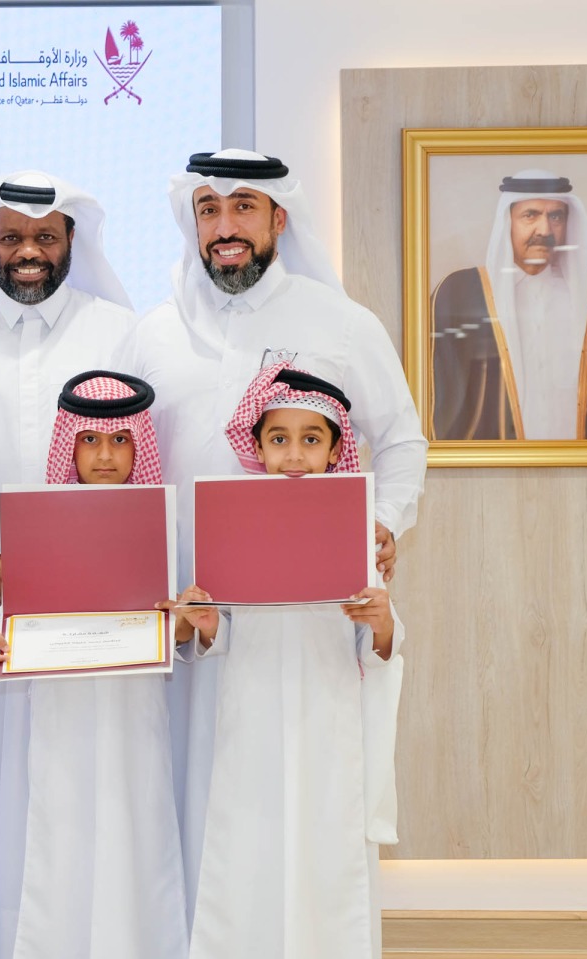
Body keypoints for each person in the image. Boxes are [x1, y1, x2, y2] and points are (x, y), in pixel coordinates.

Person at [113, 148, 426, 922]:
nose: (225, 226)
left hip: (304, 628)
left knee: (302, 807)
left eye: (244, 207)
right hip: (191, 621)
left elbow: (401, 440)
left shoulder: (341, 324)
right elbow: (120, 461)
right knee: (194, 809)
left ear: (280, 218)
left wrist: (382, 523)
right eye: (209, 210)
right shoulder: (152, 333)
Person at [0, 171, 136, 959]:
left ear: (72, 239)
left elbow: (142, 458)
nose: (28, 252)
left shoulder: (118, 331)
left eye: (45, 236)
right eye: (11, 236)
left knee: (80, 792)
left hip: (94, 610)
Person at [173, 362, 403, 959]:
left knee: (327, 862)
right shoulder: (233, 523)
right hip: (252, 723)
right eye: (279, 438)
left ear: (335, 450)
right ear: (257, 447)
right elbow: (223, 633)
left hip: (329, 723)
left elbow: (380, 647)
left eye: (311, 439)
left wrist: (381, 623)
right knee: (249, 857)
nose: (295, 455)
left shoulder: (355, 529)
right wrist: (208, 626)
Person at [0, 370, 188, 959]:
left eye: (120, 441)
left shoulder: (161, 522)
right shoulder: (46, 520)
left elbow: (180, 620)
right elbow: (20, 604)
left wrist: (184, 622)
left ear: (140, 447)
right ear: (68, 446)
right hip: (63, 716)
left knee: (136, 834)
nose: (104, 455)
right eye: (89, 440)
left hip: (133, 713)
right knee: (63, 837)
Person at [430, 169, 587, 440]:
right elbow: (442, 393)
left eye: (556, 216)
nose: (545, 230)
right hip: (493, 464)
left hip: (581, 463)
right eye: (530, 215)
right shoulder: (460, 292)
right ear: (508, 222)